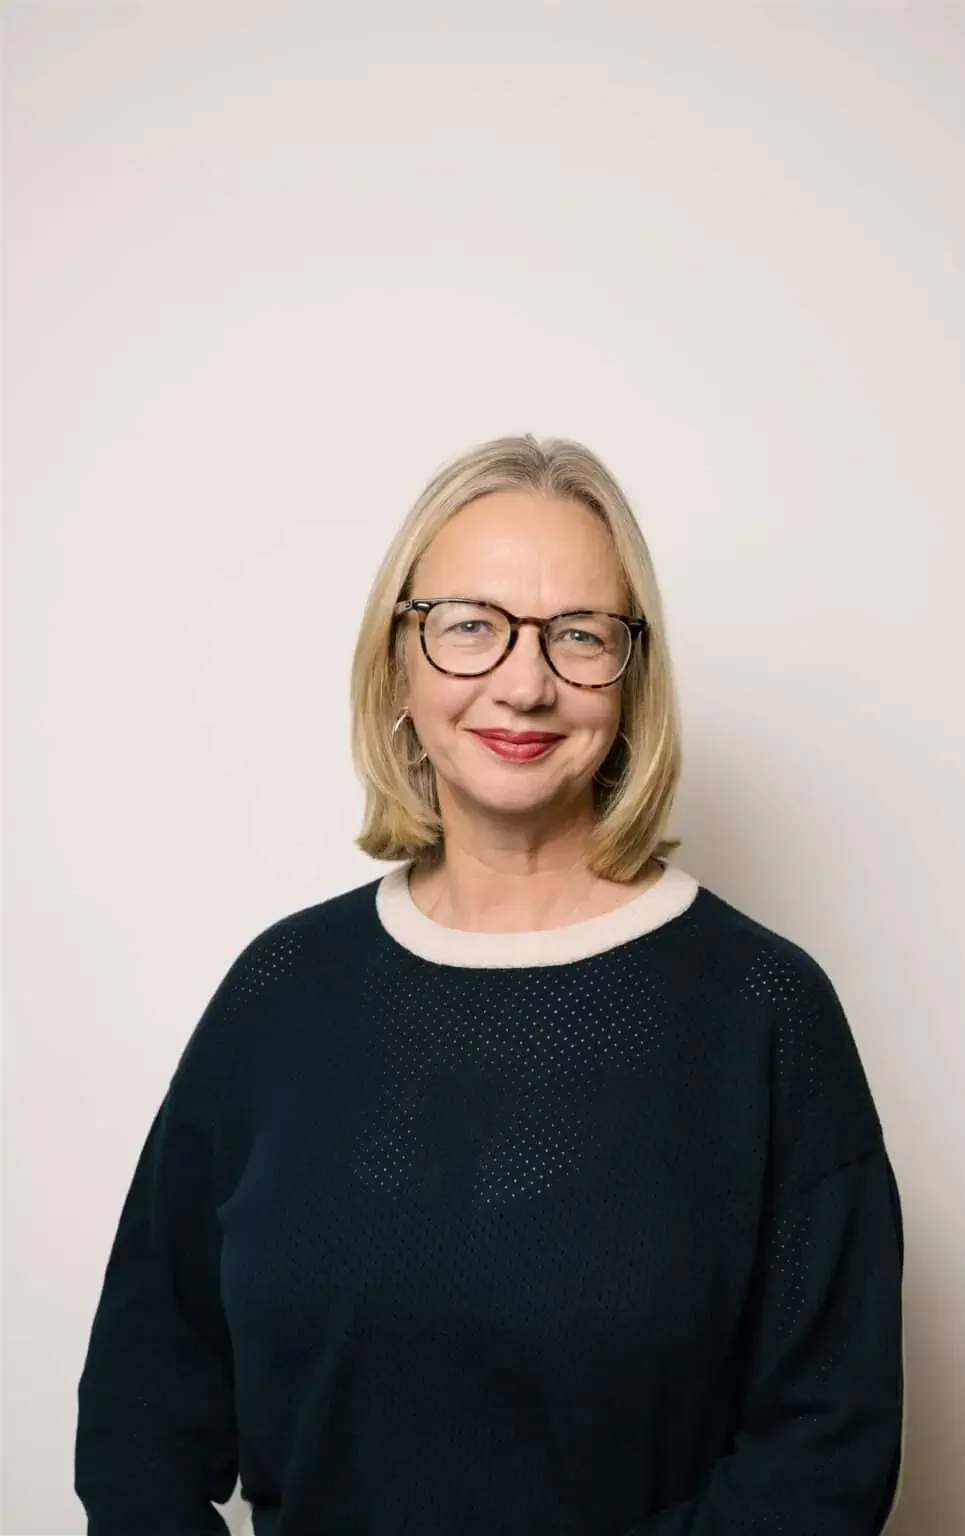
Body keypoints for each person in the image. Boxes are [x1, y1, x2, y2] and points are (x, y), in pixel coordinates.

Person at [75, 434, 905, 1535]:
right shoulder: (279, 994)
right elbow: (142, 1402)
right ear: (398, 663)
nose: (525, 683)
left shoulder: (764, 1011)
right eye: (469, 625)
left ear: (632, 679)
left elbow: (824, 1455)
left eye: (580, 634)